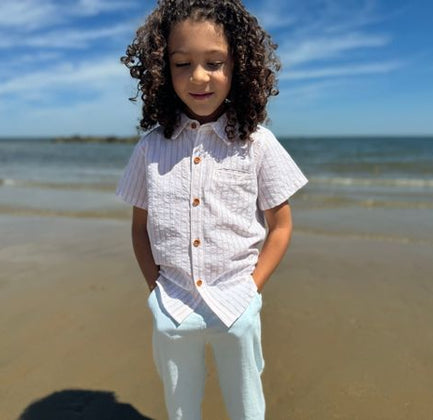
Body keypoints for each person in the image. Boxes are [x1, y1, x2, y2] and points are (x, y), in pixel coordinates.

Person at [117, 0, 308, 418]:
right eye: (182, 63)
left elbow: (281, 226)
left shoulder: (258, 144)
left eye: (214, 62)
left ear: (239, 65)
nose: (199, 77)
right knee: (180, 408)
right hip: (172, 306)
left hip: (236, 304)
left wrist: (251, 289)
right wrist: (156, 291)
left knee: (247, 407)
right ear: (161, 70)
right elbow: (139, 229)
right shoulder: (150, 147)